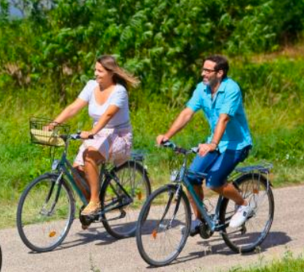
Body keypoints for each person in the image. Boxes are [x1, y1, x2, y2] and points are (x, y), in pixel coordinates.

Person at [155, 55, 255, 233]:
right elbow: (187, 113)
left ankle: (243, 205)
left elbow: (224, 119)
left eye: (207, 71)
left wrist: (213, 144)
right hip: (214, 142)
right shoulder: (202, 89)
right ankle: (200, 219)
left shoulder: (231, 89)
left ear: (220, 73)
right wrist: (167, 135)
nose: (203, 73)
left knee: (214, 181)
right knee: (191, 177)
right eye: (203, 70)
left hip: (236, 144)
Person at [46, 55, 140, 223]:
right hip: (98, 134)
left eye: (100, 71)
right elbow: (74, 107)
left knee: (89, 155)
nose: (96, 73)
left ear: (111, 73)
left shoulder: (119, 91)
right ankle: (93, 208)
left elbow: (108, 114)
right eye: (95, 70)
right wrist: (54, 123)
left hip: (118, 135)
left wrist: (91, 131)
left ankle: (95, 200)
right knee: (76, 170)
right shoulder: (91, 86)